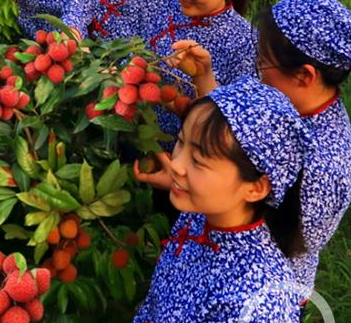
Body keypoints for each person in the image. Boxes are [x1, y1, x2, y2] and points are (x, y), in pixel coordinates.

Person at [166, 0, 351, 299]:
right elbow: (228, 134)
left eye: (263, 63)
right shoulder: (277, 100)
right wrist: (204, 76)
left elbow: (285, 242)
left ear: (305, 76)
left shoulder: (326, 168)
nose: (257, 70)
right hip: (206, 253)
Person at [132, 77, 307, 323]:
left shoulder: (258, 302)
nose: (177, 165)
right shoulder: (201, 213)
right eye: (181, 142)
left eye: (198, 161)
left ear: (256, 187)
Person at [149, 0, 264, 144]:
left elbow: (237, 123)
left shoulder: (245, 41)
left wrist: (187, 105)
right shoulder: (169, 5)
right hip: (145, 139)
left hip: (192, 158)